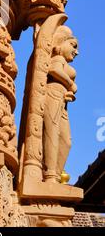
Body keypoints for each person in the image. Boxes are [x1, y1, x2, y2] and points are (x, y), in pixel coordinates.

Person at [43, 25, 78, 182]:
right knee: (52, 133)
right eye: (73, 45)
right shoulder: (58, 58)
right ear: (61, 42)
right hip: (52, 94)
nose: (76, 51)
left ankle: (56, 175)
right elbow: (53, 70)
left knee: (66, 140)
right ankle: (50, 174)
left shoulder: (64, 62)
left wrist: (69, 91)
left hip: (62, 100)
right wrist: (70, 84)